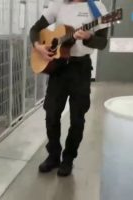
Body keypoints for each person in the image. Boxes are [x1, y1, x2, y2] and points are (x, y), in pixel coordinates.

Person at [30, 0, 109, 177]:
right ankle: (53, 155)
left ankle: (68, 159)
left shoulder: (97, 7)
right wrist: (38, 47)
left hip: (80, 69)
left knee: (77, 118)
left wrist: (89, 37)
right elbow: (34, 30)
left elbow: (103, 43)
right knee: (51, 114)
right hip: (58, 68)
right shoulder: (58, 4)